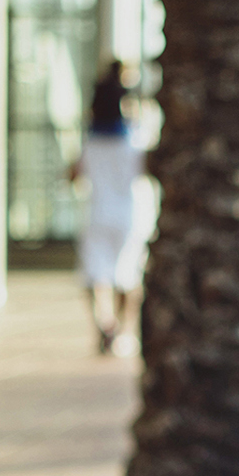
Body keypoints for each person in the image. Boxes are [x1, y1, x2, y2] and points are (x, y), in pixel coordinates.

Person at [70, 60, 145, 356]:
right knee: (127, 275)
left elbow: (74, 175)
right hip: (127, 216)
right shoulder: (134, 139)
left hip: (96, 214)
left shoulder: (90, 143)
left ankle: (102, 326)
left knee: (94, 275)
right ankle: (123, 331)